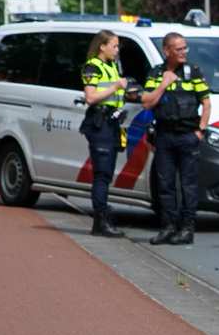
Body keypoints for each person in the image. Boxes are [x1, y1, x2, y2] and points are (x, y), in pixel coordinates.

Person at [141, 32, 210, 245]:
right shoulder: (157, 73)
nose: (183, 52)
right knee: (165, 185)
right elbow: (146, 102)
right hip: (164, 136)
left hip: (188, 136)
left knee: (188, 185)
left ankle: (187, 229)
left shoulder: (193, 72)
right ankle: (168, 227)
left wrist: (200, 130)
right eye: (179, 49)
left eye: (185, 48)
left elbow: (206, 103)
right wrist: (163, 84)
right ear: (167, 51)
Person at [80, 30, 130, 237]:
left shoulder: (112, 67)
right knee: (101, 174)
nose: (117, 50)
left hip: (111, 124)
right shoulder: (92, 66)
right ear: (102, 46)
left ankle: (102, 219)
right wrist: (116, 86)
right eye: (114, 46)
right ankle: (100, 222)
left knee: (106, 173)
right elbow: (90, 97)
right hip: (99, 123)